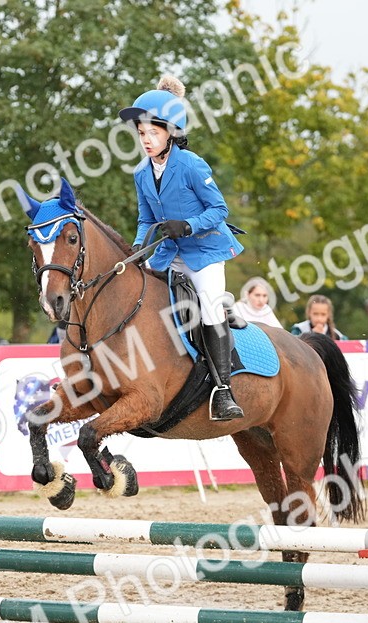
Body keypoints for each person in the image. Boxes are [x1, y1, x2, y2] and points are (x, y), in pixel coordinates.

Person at [119, 75, 245, 421]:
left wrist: (188, 225)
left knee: (207, 307)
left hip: (204, 252)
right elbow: (146, 219)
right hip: (168, 255)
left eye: (153, 133)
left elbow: (219, 210)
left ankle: (223, 391)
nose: (146, 140)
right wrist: (137, 251)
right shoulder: (142, 173)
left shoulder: (191, 164)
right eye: (142, 134)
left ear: (171, 132)